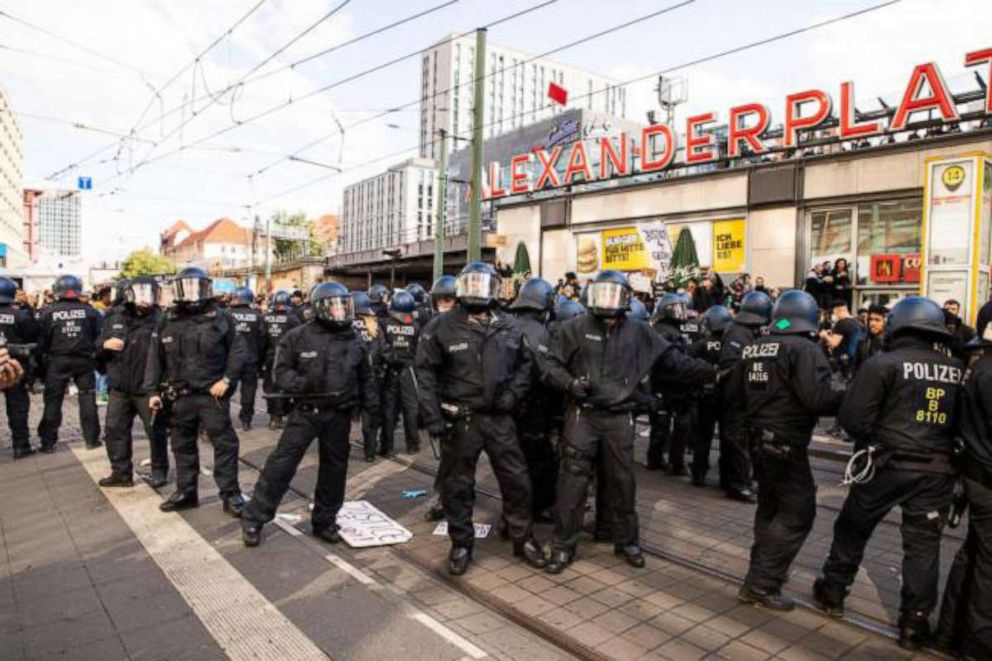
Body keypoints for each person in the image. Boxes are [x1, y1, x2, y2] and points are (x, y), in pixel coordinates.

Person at [813, 296, 963, 650]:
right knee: (923, 547)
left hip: (885, 465)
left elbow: (853, 418)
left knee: (852, 527)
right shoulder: (957, 369)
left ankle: (833, 591)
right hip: (937, 472)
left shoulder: (883, 364)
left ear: (899, 325)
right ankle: (915, 623)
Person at [543, 271, 716, 573]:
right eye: (603, 293)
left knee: (623, 483)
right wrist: (569, 384)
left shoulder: (639, 331)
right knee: (572, 482)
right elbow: (549, 364)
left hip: (619, 416)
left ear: (625, 299)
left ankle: (626, 541)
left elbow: (673, 362)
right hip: (582, 415)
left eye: (614, 294)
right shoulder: (573, 328)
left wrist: (712, 372)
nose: (608, 300)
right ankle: (562, 546)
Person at [416, 262, 545, 576]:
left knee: (517, 481)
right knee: (457, 485)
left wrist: (513, 396)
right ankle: (461, 543)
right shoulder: (441, 326)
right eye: (471, 284)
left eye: (483, 285)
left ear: (495, 289)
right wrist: (433, 418)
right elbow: (425, 373)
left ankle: (522, 537)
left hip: (500, 418)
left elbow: (526, 366)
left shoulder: (510, 325)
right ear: (461, 288)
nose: (477, 291)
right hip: (462, 420)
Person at [242, 283, 380, 547]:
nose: (340, 311)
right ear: (320, 308)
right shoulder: (297, 337)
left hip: (338, 415)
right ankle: (254, 518)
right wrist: (302, 384)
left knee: (335, 471)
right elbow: (279, 373)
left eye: (344, 305)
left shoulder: (354, 339)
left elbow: (367, 378)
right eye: (334, 306)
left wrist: (372, 410)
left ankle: (325, 520)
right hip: (306, 412)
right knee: (281, 465)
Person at [729, 290, 843, 611]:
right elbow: (817, 399)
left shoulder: (754, 348)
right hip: (785, 442)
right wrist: (849, 398)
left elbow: (735, 396)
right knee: (797, 513)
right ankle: (761, 584)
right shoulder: (805, 349)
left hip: (756, 441)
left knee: (769, 508)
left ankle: (762, 572)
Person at [144, 267, 247, 516]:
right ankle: (186, 492)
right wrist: (152, 391)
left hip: (212, 394)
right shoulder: (167, 319)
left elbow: (239, 351)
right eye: (185, 287)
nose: (191, 293)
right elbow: (155, 358)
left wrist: (228, 379)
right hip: (179, 396)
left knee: (224, 445)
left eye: (196, 287)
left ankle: (230, 494)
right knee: (181, 445)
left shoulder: (221, 317)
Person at [936, 325, 992, 658]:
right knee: (988, 564)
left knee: (973, 554)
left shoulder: (978, 368)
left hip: (975, 474)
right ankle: (979, 643)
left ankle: (950, 632)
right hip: (987, 476)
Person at [96, 277, 169, 488]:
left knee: (155, 431)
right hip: (120, 386)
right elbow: (97, 345)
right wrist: (105, 345)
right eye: (141, 293)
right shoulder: (114, 316)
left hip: (148, 387)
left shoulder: (162, 319)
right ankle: (121, 472)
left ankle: (159, 470)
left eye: (149, 293)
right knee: (114, 429)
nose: (145, 299)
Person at [509, 277, 558, 522]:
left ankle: (513, 513)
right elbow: (547, 374)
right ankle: (535, 508)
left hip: (508, 409)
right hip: (534, 409)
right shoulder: (541, 334)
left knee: (513, 464)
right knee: (539, 462)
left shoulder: (506, 325)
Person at [718, 291, 773, 502]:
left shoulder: (749, 331)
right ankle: (738, 485)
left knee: (738, 441)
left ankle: (734, 481)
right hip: (737, 398)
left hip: (745, 398)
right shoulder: (738, 333)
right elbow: (730, 368)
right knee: (736, 442)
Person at [37, 275, 103, 452]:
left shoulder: (48, 312)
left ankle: (48, 442)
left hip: (57, 360)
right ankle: (91, 439)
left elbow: (41, 342)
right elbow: (99, 337)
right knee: (87, 398)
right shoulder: (90, 312)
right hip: (84, 360)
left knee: (53, 401)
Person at [423, 274, 460, 522]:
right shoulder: (431, 330)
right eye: (442, 301)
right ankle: (444, 497)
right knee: (449, 457)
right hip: (442, 399)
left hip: (466, 400)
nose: (446, 306)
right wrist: (432, 413)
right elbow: (425, 374)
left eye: (450, 301)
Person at [648, 293, 696, 475]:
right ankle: (661, 459)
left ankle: (664, 459)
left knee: (667, 424)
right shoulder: (662, 331)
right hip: (665, 382)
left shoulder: (672, 329)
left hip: (672, 382)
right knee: (664, 424)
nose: (680, 313)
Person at [690, 304, 732, 487]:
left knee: (702, 436)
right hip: (726, 395)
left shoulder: (700, 344)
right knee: (727, 437)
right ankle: (726, 477)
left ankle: (699, 474)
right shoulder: (733, 343)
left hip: (705, 395)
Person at [0, 277, 39, 458]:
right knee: (17, 408)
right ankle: (21, 446)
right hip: (15, 368)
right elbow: (33, 341)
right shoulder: (21, 316)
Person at [379, 290, 422, 455]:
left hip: (390, 369)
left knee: (389, 410)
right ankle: (412, 445)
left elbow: (382, 348)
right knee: (410, 409)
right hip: (409, 370)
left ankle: (386, 447)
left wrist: (391, 359)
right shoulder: (415, 325)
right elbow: (419, 350)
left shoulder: (384, 324)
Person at [352, 291, 385, 462]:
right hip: (371, 379)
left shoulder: (346, 325)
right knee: (370, 417)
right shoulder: (374, 326)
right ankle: (370, 452)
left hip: (350, 379)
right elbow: (384, 351)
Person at [261, 291, 301, 430]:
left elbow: (261, 339)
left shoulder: (266, 318)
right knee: (287, 386)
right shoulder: (293, 319)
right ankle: (286, 416)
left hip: (270, 357)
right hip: (288, 359)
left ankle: (274, 418)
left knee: (271, 387)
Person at [229, 287, 264, 431]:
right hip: (251, 360)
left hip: (230, 361)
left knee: (225, 391)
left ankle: (221, 419)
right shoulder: (257, 316)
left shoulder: (226, 315)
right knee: (248, 391)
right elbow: (263, 340)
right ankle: (246, 420)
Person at [853, 304, 887, 372]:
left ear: (884, 322)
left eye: (877, 320)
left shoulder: (891, 343)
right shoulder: (862, 341)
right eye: (871, 319)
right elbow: (856, 367)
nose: (872, 323)